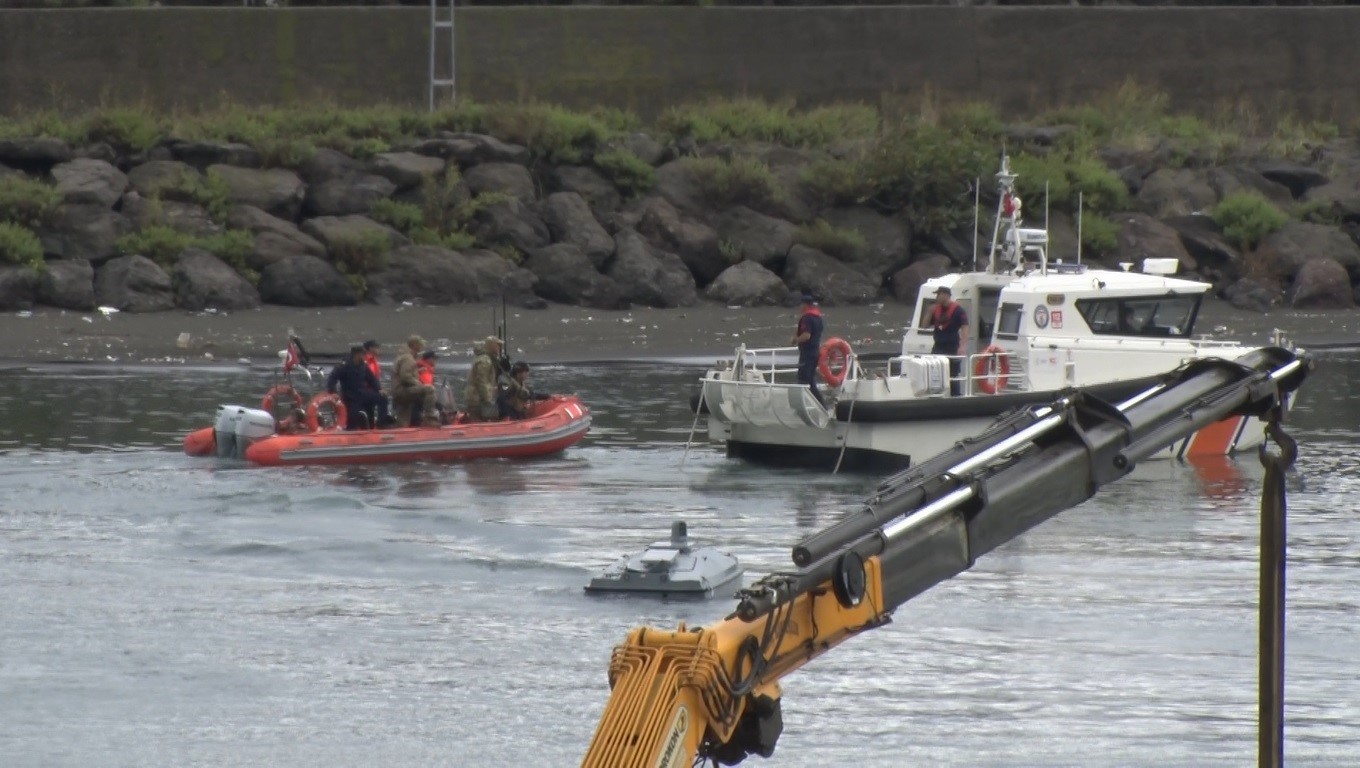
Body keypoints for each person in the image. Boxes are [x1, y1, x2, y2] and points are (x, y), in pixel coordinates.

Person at [327, 344, 391, 430]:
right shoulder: (344, 365)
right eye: (363, 354)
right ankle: (352, 430)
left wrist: (379, 389)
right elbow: (332, 378)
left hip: (362, 393)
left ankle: (381, 424)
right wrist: (333, 392)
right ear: (357, 354)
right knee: (352, 419)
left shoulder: (363, 366)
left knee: (383, 398)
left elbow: (372, 379)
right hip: (350, 396)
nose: (365, 357)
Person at [929, 286, 970, 396]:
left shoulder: (958, 311)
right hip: (938, 345)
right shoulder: (935, 309)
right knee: (932, 370)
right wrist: (929, 312)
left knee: (953, 374)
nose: (937, 297)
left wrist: (963, 346)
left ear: (946, 295)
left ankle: (955, 395)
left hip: (952, 346)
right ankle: (934, 394)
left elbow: (965, 327)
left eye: (939, 294)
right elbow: (924, 325)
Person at [391, 335, 439, 427]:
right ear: (414, 345)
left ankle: (401, 432)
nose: (422, 346)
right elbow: (405, 376)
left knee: (403, 418)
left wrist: (417, 371)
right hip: (402, 391)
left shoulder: (403, 356)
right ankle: (429, 418)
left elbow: (404, 373)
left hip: (398, 391)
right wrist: (419, 384)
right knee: (429, 389)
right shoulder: (408, 358)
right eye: (420, 344)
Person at [789, 292, 826, 407]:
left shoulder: (807, 318)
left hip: (807, 353)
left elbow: (806, 335)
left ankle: (798, 406)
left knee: (803, 380)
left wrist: (795, 340)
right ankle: (821, 405)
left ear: (805, 305)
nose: (800, 307)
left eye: (801, 304)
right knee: (810, 381)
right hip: (815, 351)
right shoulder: (818, 317)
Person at [465, 336, 505, 422]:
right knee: (477, 421)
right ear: (492, 346)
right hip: (477, 399)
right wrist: (487, 399)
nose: (499, 348)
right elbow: (482, 381)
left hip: (476, 397)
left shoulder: (485, 358)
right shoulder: (485, 360)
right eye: (498, 345)